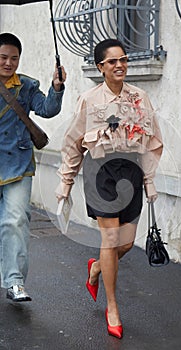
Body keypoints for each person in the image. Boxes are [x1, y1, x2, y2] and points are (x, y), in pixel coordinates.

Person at [56, 38, 162, 339]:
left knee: (125, 245)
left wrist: (149, 180)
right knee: (110, 237)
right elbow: (73, 142)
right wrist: (65, 182)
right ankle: (112, 307)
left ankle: (96, 269)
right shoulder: (89, 100)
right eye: (113, 61)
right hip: (100, 172)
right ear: (101, 67)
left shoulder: (140, 98)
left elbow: (153, 142)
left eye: (124, 60)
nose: (120, 65)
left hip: (131, 171)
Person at [0, 33, 66, 302]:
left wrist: (57, 86)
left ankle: (14, 281)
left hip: (18, 164)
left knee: (15, 220)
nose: (8, 63)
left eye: (13, 58)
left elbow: (47, 109)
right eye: (3, 57)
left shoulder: (26, 86)